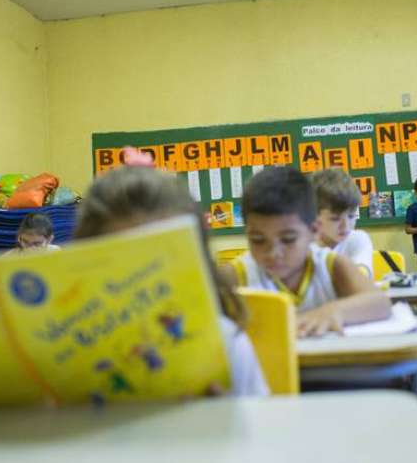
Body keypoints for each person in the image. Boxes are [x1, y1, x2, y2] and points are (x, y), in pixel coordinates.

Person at [74, 165, 268, 397]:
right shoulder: (65, 350)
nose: (143, 283)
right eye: (123, 264)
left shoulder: (225, 343)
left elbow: (259, 428)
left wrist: (222, 417)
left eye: (160, 262)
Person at [219, 166, 390, 338]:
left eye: (288, 239)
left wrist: (333, 311)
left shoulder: (331, 266)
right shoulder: (236, 274)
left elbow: (381, 303)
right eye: (257, 240)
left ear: (314, 230)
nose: (273, 253)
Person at [311, 168, 374, 277]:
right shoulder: (303, 245)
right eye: (335, 219)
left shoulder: (358, 239)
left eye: (351, 216)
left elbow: (360, 277)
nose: (346, 226)